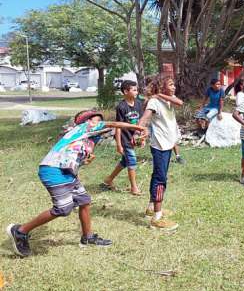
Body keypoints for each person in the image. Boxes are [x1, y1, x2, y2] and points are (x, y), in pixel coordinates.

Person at [5, 110, 147, 257]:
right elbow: (115, 124)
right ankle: (20, 231)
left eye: (99, 120)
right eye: (94, 119)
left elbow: (72, 159)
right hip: (53, 170)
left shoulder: (87, 139)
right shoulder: (84, 127)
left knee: (84, 201)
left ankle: (88, 237)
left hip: (66, 172)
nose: (97, 122)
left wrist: (85, 161)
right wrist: (139, 128)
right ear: (86, 122)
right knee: (63, 208)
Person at [139, 74, 183, 231]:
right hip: (160, 146)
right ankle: (156, 218)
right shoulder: (154, 101)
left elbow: (180, 102)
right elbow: (144, 118)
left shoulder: (167, 99)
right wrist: (139, 131)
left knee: (157, 175)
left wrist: (160, 94)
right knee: (160, 179)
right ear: (162, 87)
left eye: (173, 85)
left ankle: (151, 207)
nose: (174, 87)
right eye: (170, 85)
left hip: (167, 145)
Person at [102, 80, 144, 195]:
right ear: (126, 91)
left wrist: (142, 137)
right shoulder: (121, 106)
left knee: (125, 161)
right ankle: (134, 187)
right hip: (125, 139)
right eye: (134, 90)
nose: (136, 92)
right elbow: (118, 127)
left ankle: (108, 179)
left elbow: (141, 122)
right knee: (132, 161)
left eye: (137, 89)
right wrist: (119, 144)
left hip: (134, 137)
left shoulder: (139, 103)